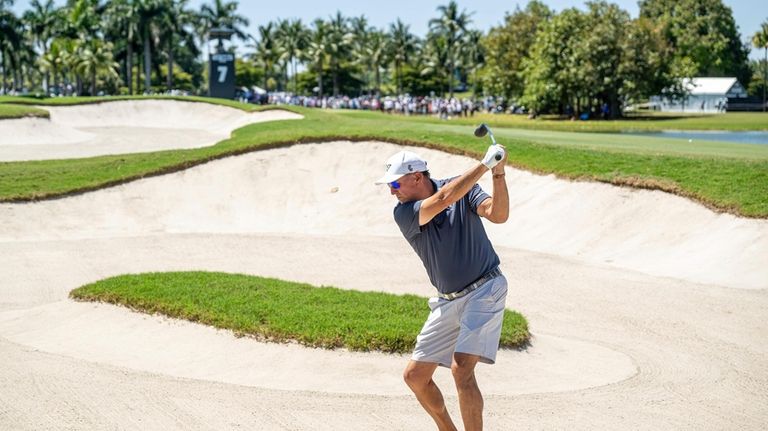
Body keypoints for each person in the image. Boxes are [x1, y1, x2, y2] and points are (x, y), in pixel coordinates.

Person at [375, 144, 510, 431]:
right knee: (415, 377)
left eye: (395, 183)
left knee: (461, 369)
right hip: (447, 300)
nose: (391, 191)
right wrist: (485, 164)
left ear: (416, 177)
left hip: (486, 287)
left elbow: (498, 215)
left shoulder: (465, 190)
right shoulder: (404, 212)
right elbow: (444, 198)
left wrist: (498, 174)